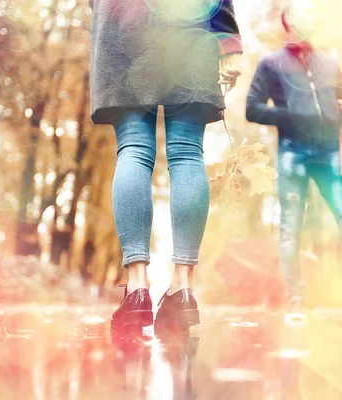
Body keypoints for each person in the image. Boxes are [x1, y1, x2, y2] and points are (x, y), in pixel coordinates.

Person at [90, 0, 243, 328]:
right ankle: (183, 288)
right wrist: (228, 37)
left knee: (132, 148)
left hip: (122, 20)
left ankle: (137, 289)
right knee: (187, 152)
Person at [245, 3, 342, 304]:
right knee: (291, 227)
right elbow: (251, 108)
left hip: (331, 153)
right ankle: (296, 299)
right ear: (289, 20)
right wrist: (292, 117)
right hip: (293, 154)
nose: (315, 16)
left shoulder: (330, 63)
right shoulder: (270, 64)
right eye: (308, 11)